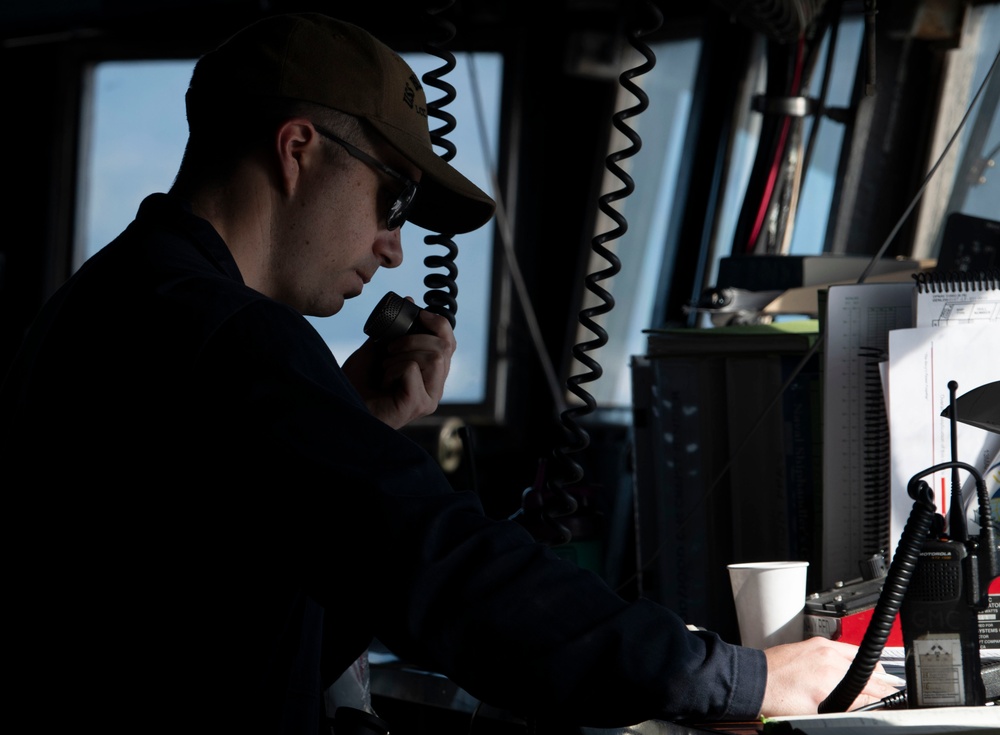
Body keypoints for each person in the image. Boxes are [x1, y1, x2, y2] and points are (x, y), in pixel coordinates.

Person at [0, 12, 899, 734]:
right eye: (392, 199)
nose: (393, 249)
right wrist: (738, 676)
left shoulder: (115, 301)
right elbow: (444, 570)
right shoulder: (230, 337)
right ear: (297, 148)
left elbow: (224, 625)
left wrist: (353, 425)